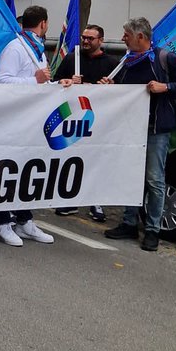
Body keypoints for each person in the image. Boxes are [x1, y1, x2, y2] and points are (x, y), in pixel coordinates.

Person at [102, 17, 176, 253]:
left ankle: (153, 230)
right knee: (129, 175)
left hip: (156, 130)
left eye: (127, 34)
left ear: (141, 37)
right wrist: (109, 85)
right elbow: (123, 90)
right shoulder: (127, 61)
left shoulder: (165, 59)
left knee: (154, 179)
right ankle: (128, 223)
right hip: (131, 129)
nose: (123, 38)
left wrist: (165, 87)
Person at [0, 4, 55, 247]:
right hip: (12, 122)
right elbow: (2, 82)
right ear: (43, 23)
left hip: (32, 121)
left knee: (27, 171)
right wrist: (34, 79)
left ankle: (24, 220)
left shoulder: (37, 49)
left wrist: (59, 84)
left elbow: (41, 83)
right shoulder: (16, 48)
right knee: (7, 171)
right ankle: (1, 222)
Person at [53, 23, 118, 222]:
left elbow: (123, 92)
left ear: (101, 40)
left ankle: (95, 201)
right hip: (74, 118)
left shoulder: (112, 63)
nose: (86, 41)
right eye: (84, 37)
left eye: (91, 38)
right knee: (74, 158)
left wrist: (111, 86)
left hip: (100, 120)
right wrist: (68, 82)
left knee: (97, 159)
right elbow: (55, 82)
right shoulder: (72, 59)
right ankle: (70, 199)